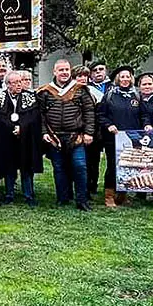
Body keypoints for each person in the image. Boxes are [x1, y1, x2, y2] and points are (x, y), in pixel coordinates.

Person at [36, 59, 96, 211]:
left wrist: (89, 132)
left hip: (76, 136)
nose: (64, 72)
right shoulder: (45, 91)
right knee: (59, 168)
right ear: (54, 72)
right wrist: (44, 132)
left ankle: (82, 200)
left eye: (66, 70)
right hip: (54, 137)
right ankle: (62, 198)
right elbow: (40, 115)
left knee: (80, 166)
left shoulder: (80, 89)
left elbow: (89, 112)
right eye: (61, 70)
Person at [0, 71, 44, 207]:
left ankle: (29, 195)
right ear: (8, 85)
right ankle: (9, 195)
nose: (19, 85)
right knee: (9, 168)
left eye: (20, 82)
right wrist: (11, 128)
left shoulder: (29, 98)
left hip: (25, 140)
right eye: (15, 83)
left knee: (27, 168)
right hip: (6, 140)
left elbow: (33, 118)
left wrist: (22, 128)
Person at [99, 66, 140, 208]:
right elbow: (101, 115)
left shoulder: (136, 95)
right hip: (113, 138)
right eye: (122, 77)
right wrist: (109, 125)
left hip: (132, 138)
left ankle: (122, 195)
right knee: (112, 166)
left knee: (128, 166)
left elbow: (144, 115)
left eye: (128, 76)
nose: (125, 79)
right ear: (118, 79)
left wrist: (146, 125)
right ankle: (109, 196)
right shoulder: (110, 95)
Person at [72, 65, 103, 199]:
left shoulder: (94, 92)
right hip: (75, 132)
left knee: (92, 163)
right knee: (78, 163)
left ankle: (91, 188)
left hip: (93, 133)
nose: (83, 79)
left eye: (85, 76)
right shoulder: (70, 91)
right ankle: (78, 189)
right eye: (79, 76)